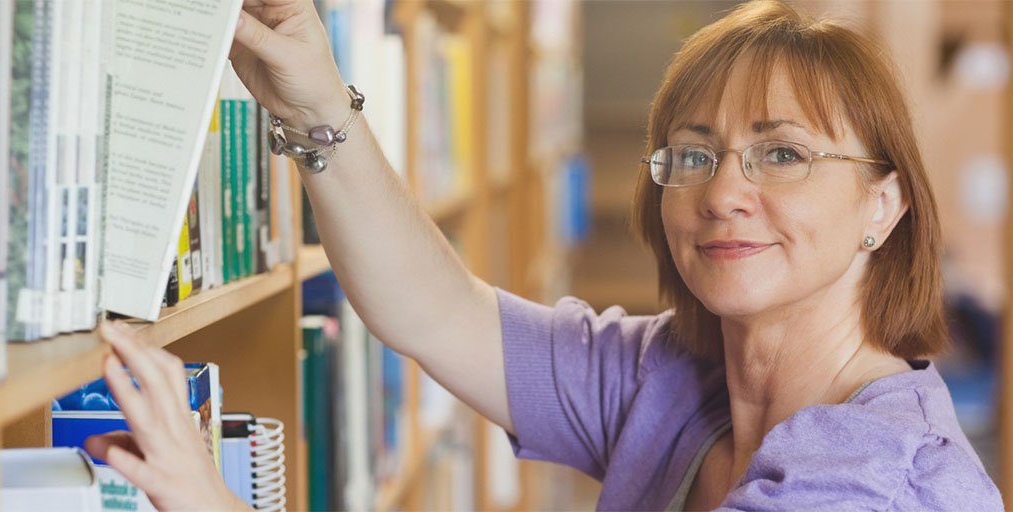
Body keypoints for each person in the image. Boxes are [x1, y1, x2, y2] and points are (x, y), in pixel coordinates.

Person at [86, 0, 1004, 510]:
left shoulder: (873, 484)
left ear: (883, 205)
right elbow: (436, 312)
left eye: (784, 153)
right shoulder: (677, 380)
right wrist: (309, 98)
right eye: (692, 153)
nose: (724, 191)